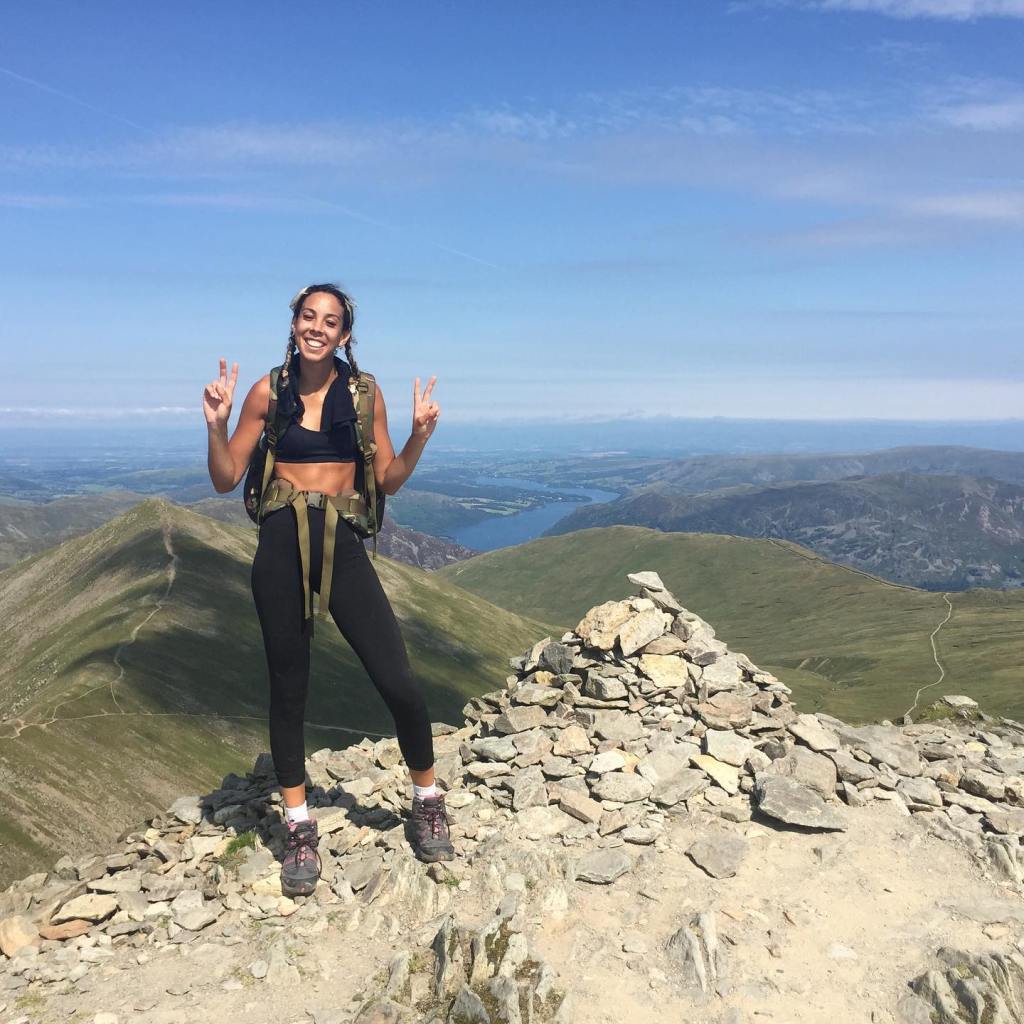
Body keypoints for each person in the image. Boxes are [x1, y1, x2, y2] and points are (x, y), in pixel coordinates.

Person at [202, 282, 454, 896]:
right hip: (280, 543)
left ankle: (427, 800)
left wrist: (420, 435)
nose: (318, 327)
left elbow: (387, 480)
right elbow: (225, 476)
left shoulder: (364, 394)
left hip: (341, 540)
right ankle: (298, 826)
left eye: (331, 320)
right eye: (309, 316)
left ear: (345, 335)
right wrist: (214, 425)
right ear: (294, 324)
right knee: (289, 687)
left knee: (396, 676)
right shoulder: (268, 391)